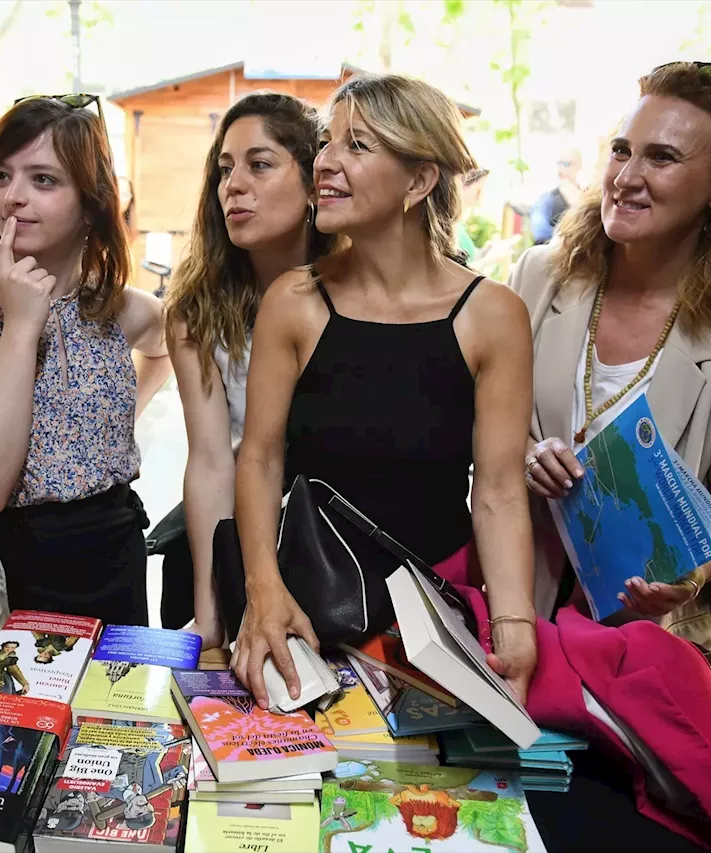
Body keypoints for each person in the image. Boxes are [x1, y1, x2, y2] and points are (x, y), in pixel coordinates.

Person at [232, 74, 538, 708]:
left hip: (437, 612)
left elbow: (502, 489)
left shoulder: (494, 315)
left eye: (358, 146)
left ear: (419, 181)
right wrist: (263, 594)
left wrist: (514, 626)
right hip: (309, 604)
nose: (325, 163)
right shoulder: (294, 300)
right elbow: (259, 459)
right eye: (326, 143)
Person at [512, 62, 711, 655]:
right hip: (518, 610)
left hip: (651, 647)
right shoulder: (539, 276)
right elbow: (478, 413)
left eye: (662, 158)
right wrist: (522, 454)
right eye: (622, 150)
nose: (626, 176)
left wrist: (698, 568)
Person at [0, 96, 170, 626]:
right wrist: (22, 325)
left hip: (114, 557)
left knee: (111, 710)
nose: (14, 197)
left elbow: (163, 343)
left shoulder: (118, 307)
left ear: (92, 203)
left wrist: (116, 419)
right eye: (2, 176)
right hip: (5, 570)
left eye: (44, 180)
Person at [162, 92, 335, 649]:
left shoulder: (356, 294)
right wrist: (210, 613)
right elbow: (212, 461)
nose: (233, 185)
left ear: (316, 181)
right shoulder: (197, 309)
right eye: (224, 169)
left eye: (260, 165)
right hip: (233, 544)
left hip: (340, 547)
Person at [530, 148, 582, 244]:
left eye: (566, 164)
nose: (560, 169)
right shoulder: (546, 199)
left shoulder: (586, 197)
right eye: (559, 163)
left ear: (578, 166)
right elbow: (540, 233)